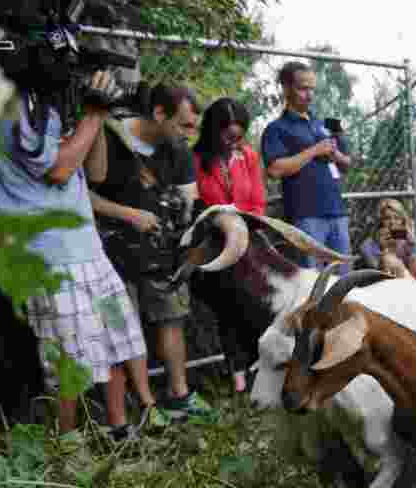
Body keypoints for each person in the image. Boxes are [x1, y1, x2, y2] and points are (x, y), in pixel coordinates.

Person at [0, 68, 160, 441]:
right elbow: (61, 169)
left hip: (91, 256)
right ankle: (67, 446)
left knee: (116, 337)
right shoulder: (9, 114)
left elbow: (94, 172)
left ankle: (120, 430)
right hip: (51, 261)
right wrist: (93, 115)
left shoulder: (51, 114)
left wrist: (95, 115)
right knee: (68, 357)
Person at [88, 83, 216, 425]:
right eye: (185, 125)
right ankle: (136, 409)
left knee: (172, 318)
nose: (191, 135)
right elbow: (84, 195)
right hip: (112, 254)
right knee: (119, 330)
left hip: (163, 253)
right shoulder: (111, 137)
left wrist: (187, 214)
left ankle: (179, 395)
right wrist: (130, 214)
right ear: (159, 113)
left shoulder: (178, 149)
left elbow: (189, 197)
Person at [192, 97, 266, 393]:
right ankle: (238, 379)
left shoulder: (247, 156)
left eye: (240, 135)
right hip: (215, 245)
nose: (234, 141)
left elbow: (258, 200)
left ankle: (259, 371)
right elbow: (198, 203)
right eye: (228, 135)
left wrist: (251, 223)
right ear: (213, 130)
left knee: (254, 307)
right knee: (227, 310)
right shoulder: (196, 159)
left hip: (250, 241)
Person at [261, 61, 353, 274]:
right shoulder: (276, 129)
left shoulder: (329, 123)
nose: (309, 94)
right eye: (303, 88)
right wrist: (313, 151)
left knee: (344, 278)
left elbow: (348, 164)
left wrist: (335, 154)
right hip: (306, 215)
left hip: (337, 211)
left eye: (312, 88)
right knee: (312, 281)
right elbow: (275, 170)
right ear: (286, 88)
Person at [359, 199, 416, 280]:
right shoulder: (367, 246)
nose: (392, 222)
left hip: (408, 286)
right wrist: (383, 249)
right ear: (380, 221)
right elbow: (378, 276)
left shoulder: (412, 243)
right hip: (380, 288)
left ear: (403, 221)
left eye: (397, 218)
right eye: (387, 218)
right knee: (387, 259)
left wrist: (411, 246)